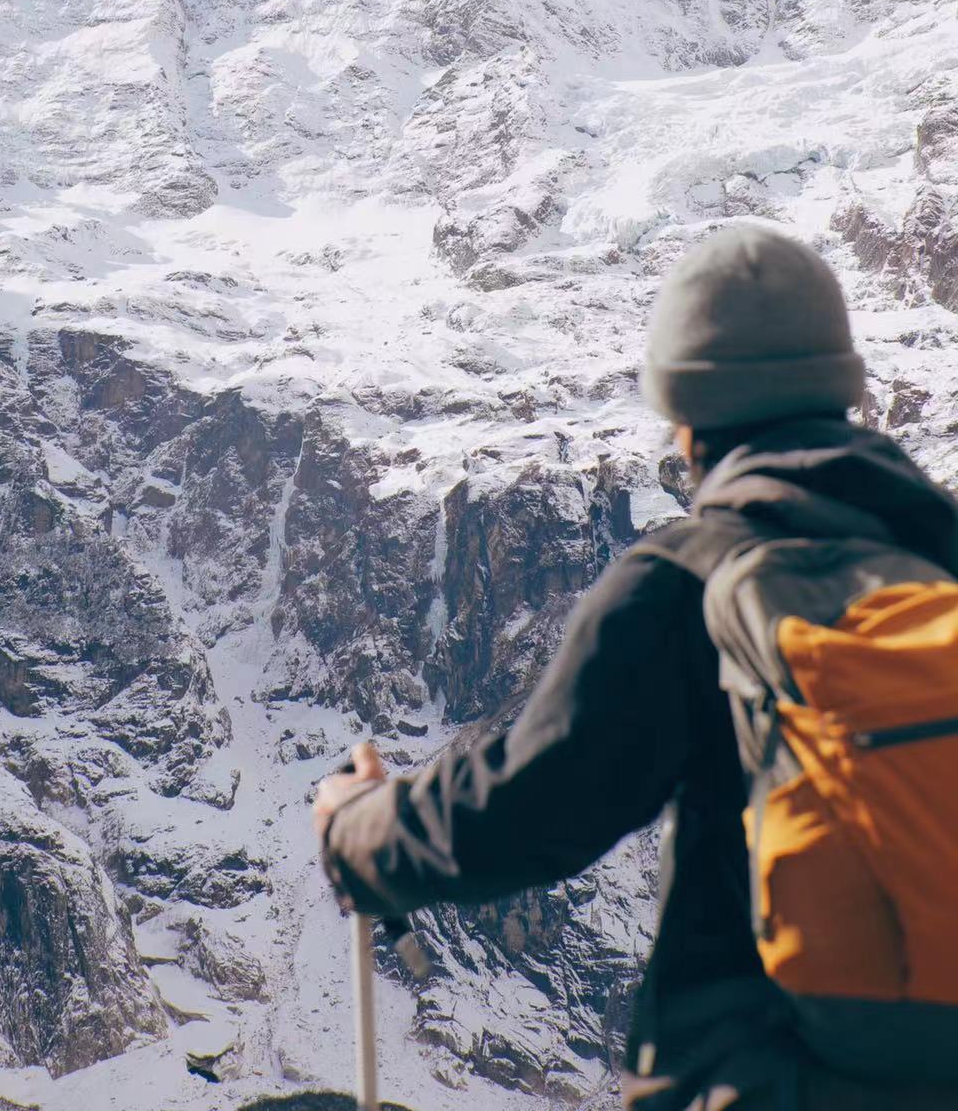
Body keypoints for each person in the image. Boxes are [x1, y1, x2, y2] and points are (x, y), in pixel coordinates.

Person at [313, 224, 958, 1110]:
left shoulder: (688, 582)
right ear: (844, 389)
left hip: (762, 1077)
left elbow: (533, 807)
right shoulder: (939, 569)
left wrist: (360, 831)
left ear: (684, 418)